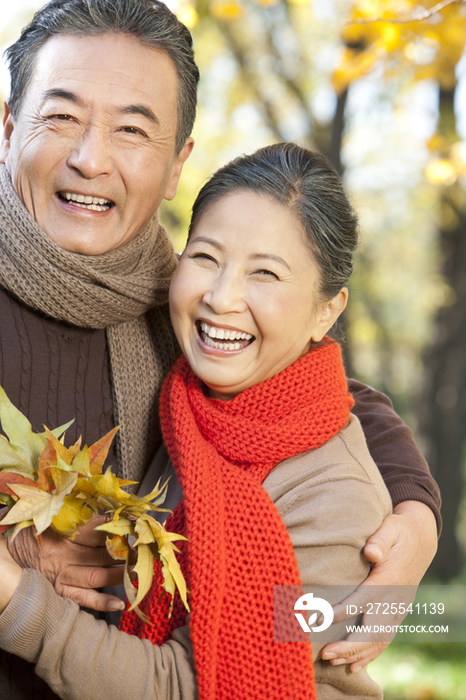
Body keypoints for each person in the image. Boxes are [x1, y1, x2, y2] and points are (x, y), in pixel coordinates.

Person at [0, 1, 439, 698]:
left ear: (176, 167)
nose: (90, 158)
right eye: (61, 116)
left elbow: (324, 400)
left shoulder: (180, 316)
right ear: (8, 125)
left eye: (133, 130)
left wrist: (417, 513)